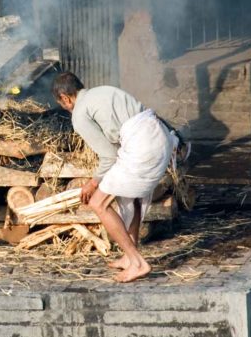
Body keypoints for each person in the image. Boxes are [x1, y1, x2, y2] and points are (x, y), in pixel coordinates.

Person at [52, 72, 180, 283]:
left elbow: (109, 156)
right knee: (132, 196)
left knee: (98, 203)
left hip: (143, 146)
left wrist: (92, 183)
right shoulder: (102, 91)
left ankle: (137, 263)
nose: (65, 107)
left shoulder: (79, 114)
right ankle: (128, 257)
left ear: (65, 98)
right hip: (161, 138)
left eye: (62, 103)